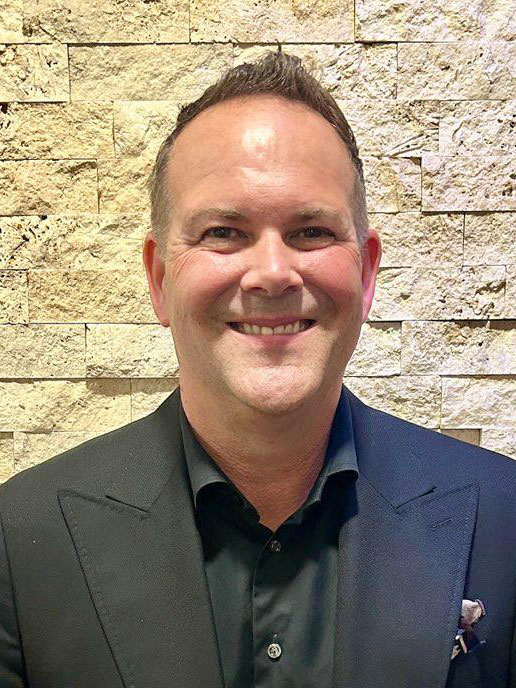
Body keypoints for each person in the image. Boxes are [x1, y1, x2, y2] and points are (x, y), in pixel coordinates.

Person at [1, 50, 515, 688]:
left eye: (311, 231)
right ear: (159, 279)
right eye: (223, 232)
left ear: (366, 273)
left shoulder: (504, 519)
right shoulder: (22, 540)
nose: (272, 273)